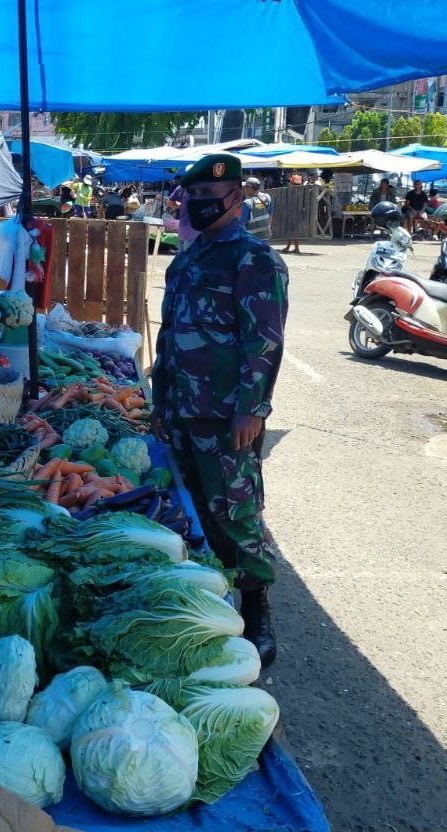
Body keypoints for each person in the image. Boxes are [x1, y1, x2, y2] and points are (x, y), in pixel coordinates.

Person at [152, 153, 288, 667]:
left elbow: (265, 341)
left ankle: (257, 611)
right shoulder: (186, 259)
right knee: (197, 512)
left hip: (226, 414)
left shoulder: (253, 260)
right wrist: (161, 399)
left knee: (236, 514)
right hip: (183, 409)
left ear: (235, 199)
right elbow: (169, 336)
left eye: (209, 200)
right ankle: (215, 603)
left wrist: (252, 409)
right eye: (193, 200)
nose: (199, 208)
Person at [240, 176, 273, 241]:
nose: (245, 189)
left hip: (252, 240)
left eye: (246, 187)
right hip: (265, 236)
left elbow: (242, 224)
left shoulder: (248, 203)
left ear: (251, 188)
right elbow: (270, 214)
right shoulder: (267, 197)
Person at [281, 172, 304, 254]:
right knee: (293, 231)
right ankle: (291, 247)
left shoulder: (292, 192)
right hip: (299, 214)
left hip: (293, 214)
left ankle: (294, 248)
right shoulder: (303, 191)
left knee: (293, 231)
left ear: (291, 183)